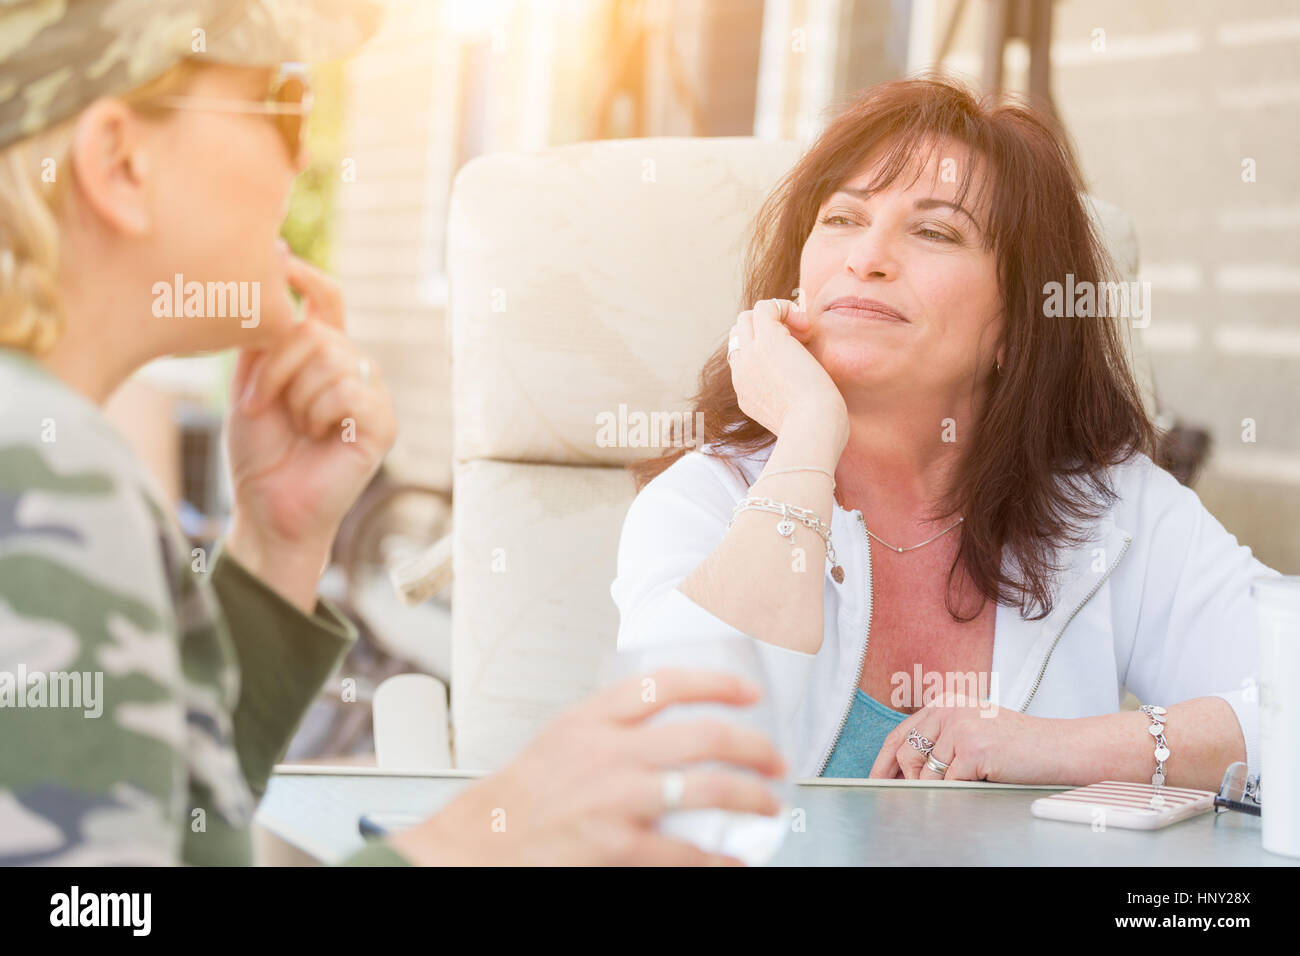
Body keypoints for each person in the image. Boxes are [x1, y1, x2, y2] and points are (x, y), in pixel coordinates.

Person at [0, 0, 783, 866]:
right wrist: (483, 841)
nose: (306, 159)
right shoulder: (46, 465)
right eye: (282, 102)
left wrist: (274, 544)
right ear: (119, 164)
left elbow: (150, 838)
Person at [613, 76, 1276, 791]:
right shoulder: (704, 501)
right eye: (841, 219)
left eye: (934, 231)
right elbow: (676, 773)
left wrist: (1056, 750)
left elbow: (1289, 699)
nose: (865, 257)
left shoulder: (1112, 510)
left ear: (1016, 325)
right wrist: (806, 437)